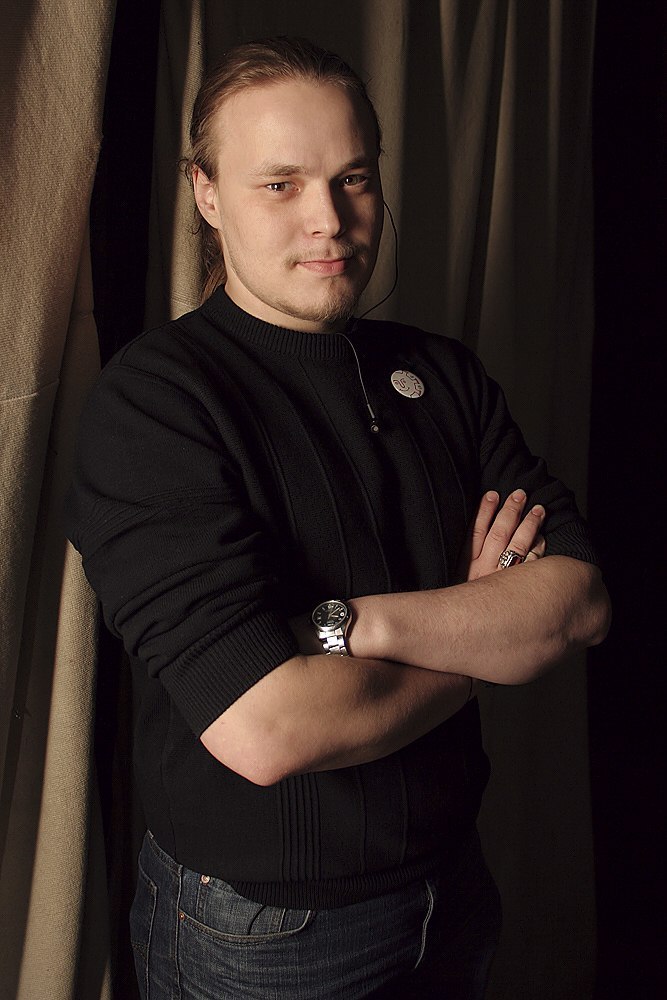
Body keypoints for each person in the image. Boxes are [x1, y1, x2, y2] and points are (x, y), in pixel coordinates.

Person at [65, 36, 610, 1000]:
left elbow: (577, 604)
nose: (329, 219)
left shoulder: (442, 375)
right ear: (205, 194)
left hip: (454, 886)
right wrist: (483, 638)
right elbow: (267, 728)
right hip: (264, 932)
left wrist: (351, 627)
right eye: (280, 184)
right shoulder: (155, 405)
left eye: (352, 178)